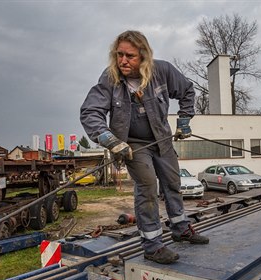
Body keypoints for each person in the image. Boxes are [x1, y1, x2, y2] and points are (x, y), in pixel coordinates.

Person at [80, 30, 209, 264]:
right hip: (132, 145)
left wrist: (184, 119)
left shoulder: (162, 71)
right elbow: (91, 111)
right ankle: (152, 245)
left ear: (144, 56)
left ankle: (180, 228)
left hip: (162, 140)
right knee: (148, 186)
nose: (123, 61)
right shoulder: (110, 79)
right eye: (119, 55)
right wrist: (108, 139)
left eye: (130, 56)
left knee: (173, 183)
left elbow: (187, 90)